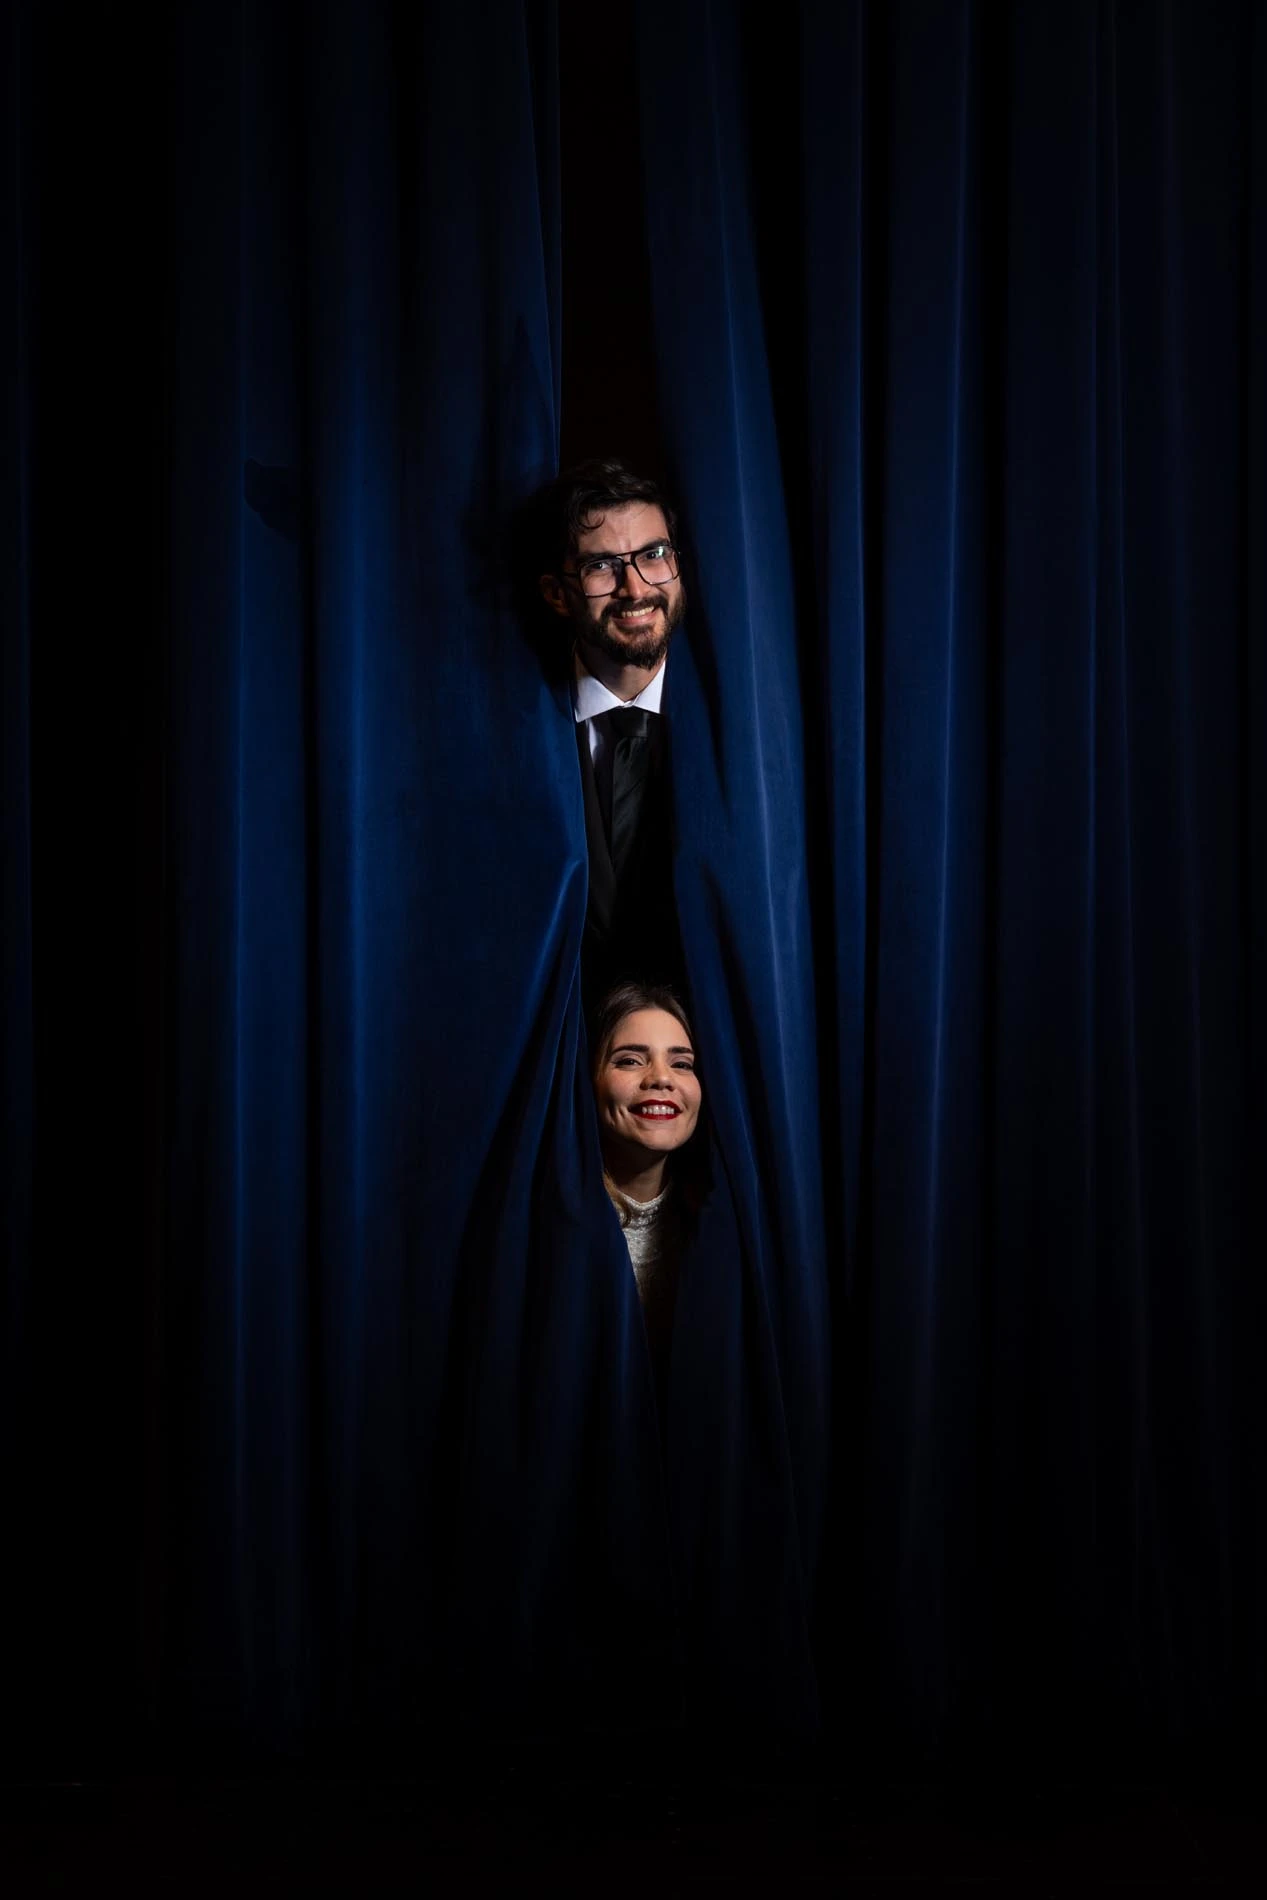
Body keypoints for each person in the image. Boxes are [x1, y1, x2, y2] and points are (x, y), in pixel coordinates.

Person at [534, 461, 687, 1006]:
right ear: (558, 593)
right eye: (603, 565)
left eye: (654, 554)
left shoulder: (748, 729)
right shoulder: (516, 736)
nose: (635, 588)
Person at [590, 980, 702, 1392]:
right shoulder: (553, 1230)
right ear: (590, 1080)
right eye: (630, 1060)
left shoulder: (716, 1229)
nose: (661, 1079)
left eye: (682, 1064)